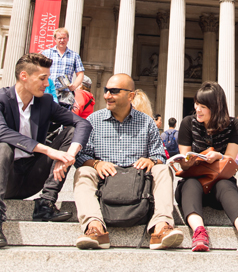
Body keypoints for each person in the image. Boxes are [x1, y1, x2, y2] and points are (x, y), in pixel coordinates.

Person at [0, 53, 92, 249]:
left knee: (72, 132)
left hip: (31, 176)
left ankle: (46, 204)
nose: (47, 83)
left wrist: (69, 155)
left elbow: (82, 123)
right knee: (4, 146)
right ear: (24, 76)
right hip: (0, 176)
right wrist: (49, 151)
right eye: (42, 78)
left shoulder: (46, 102)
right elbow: (0, 133)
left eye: (47, 77)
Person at [73, 73, 184, 251]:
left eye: (114, 91)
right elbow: (80, 157)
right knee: (83, 173)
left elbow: (159, 155)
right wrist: (96, 164)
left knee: (163, 170)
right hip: (106, 178)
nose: (107, 95)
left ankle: (161, 227)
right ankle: (94, 227)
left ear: (130, 95)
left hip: (137, 179)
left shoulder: (147, 123)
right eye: (106, 90)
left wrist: (151, 161)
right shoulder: (93, 121)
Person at [175, 82, 238, 253]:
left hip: (219, 181)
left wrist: (219, 156)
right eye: (197, 104)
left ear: (216, 107)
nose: (197, 109)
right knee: (190, 183)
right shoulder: (188, 123)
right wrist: (188, 161)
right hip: (193, 182)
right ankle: (199, 233)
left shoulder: (234, 125)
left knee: (226, 185)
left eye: (203, 106)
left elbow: (230, 161)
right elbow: (185, 157)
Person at [40, 27, 85, 95]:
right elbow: (39, 71)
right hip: (48, 90)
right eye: (59, 38)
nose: (62, 40)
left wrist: (74, 86)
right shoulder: (46, 53)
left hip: (65, 93)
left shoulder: (74, 55)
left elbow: (80, 74)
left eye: (64, 38)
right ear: (54, 39)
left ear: (68, 39)